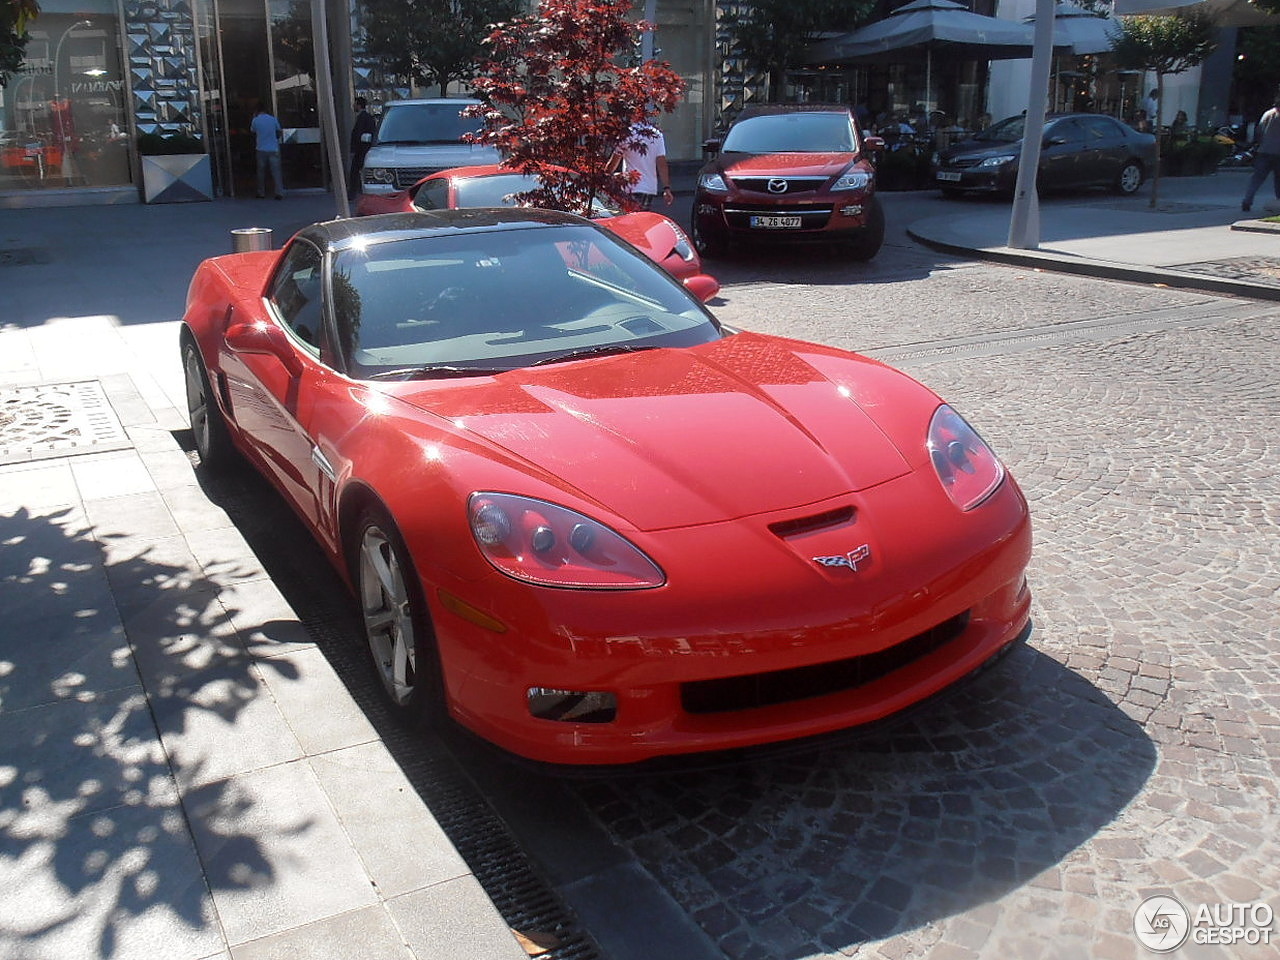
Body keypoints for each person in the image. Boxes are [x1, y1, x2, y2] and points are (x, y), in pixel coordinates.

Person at [609, 121, 672, 210]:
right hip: (649, 187)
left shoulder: (626, 135)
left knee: (630, 219)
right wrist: (666, 188)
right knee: (642, 219)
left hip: (630, 186)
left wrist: (604, 179)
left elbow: (613, 163)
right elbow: (661, 163)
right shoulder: (656, 134)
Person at [1241, 89, 1280, 214]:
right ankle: (1279, 201)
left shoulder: (1268, 114)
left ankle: (1247, 200)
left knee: (1257, 178)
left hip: (1264, 151)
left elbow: (1259, 131)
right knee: (1278, 179)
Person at [250, 104, 284, 199]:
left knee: (261, 172)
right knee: (276, 172)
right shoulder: (273, 119)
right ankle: (279, 193)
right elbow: (279, 131)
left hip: (261, 149)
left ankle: (261, 192)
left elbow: (252, 131)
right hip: (273, 148)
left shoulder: (255, 120)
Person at [348, 96, 377, 195]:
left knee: (355, 171)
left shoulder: (363, 118)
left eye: (355, 104)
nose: (353, 106)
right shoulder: (365, 117)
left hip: (361, 149)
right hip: (362, 149)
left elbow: (358, 135)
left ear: (359, 105)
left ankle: (353, 192)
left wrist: (354, 149)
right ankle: (356, 191)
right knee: (357, 171)